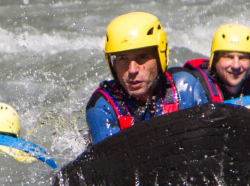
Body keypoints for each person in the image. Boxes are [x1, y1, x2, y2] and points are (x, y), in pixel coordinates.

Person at [84, 12, 210, 143]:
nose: (132, 70)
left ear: (160, 57)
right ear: (112, 64)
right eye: (122, 58)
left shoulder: (185, 87)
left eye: (142, 57)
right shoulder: (102, 107)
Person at [181, 24, 250, 101]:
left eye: (242, 58)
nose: (236, 66)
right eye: (228, 57)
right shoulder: (195, 87)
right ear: (215, 60)